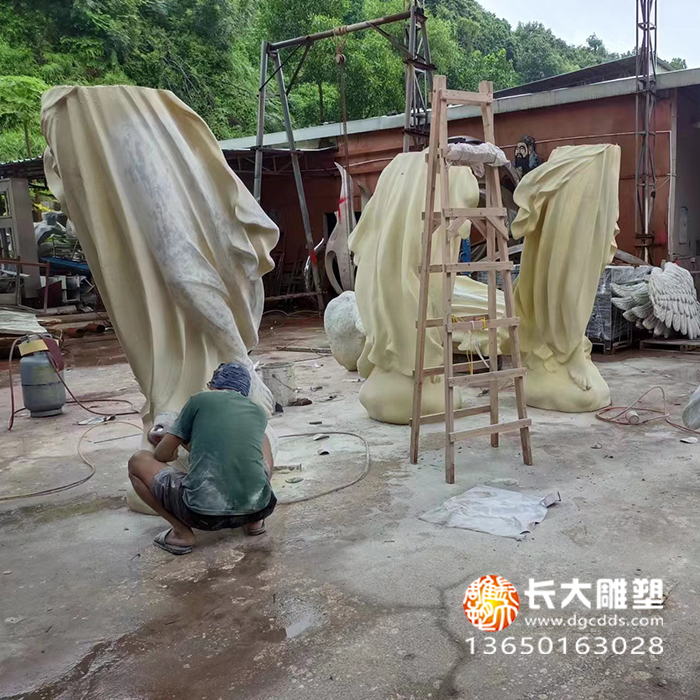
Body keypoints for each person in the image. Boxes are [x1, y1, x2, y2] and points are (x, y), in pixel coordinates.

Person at [128, 362, 276, 555]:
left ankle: (181, 534)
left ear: (212, 386)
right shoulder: (257, 411)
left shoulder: (199, 400)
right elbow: (221, 450)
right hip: (262, 507)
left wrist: (173, 436)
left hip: (202, 515)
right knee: (261, 440)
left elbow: (161, 455)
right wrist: (187, 438)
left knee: (138, 461)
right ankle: (254, 522)